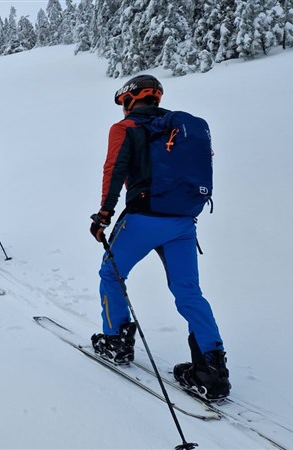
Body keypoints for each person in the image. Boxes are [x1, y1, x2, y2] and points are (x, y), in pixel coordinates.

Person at [89, 74, 230, 400]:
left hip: (143, 219)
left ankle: (116, 341)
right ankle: (212, 370)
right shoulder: (175, 129)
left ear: (129, 100)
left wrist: (104, 215)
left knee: (111, 274)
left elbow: (114, 170)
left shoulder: (125, 129)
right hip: (182, 222)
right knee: (189, 292)